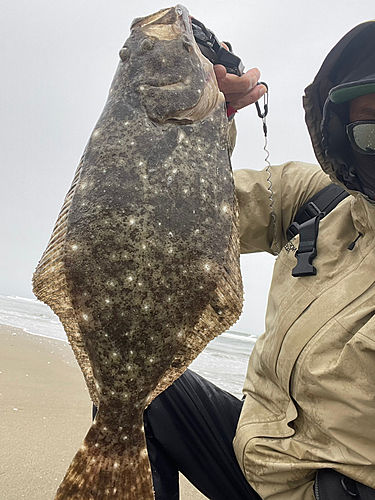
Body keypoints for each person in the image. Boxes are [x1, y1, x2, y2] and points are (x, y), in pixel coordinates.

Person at [95, 20, 375, 500]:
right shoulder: (320, 200)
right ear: (346, 134)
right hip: (256, 461)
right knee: (135, 387)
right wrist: (205, 114)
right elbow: (177, 211)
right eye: (372, 131)